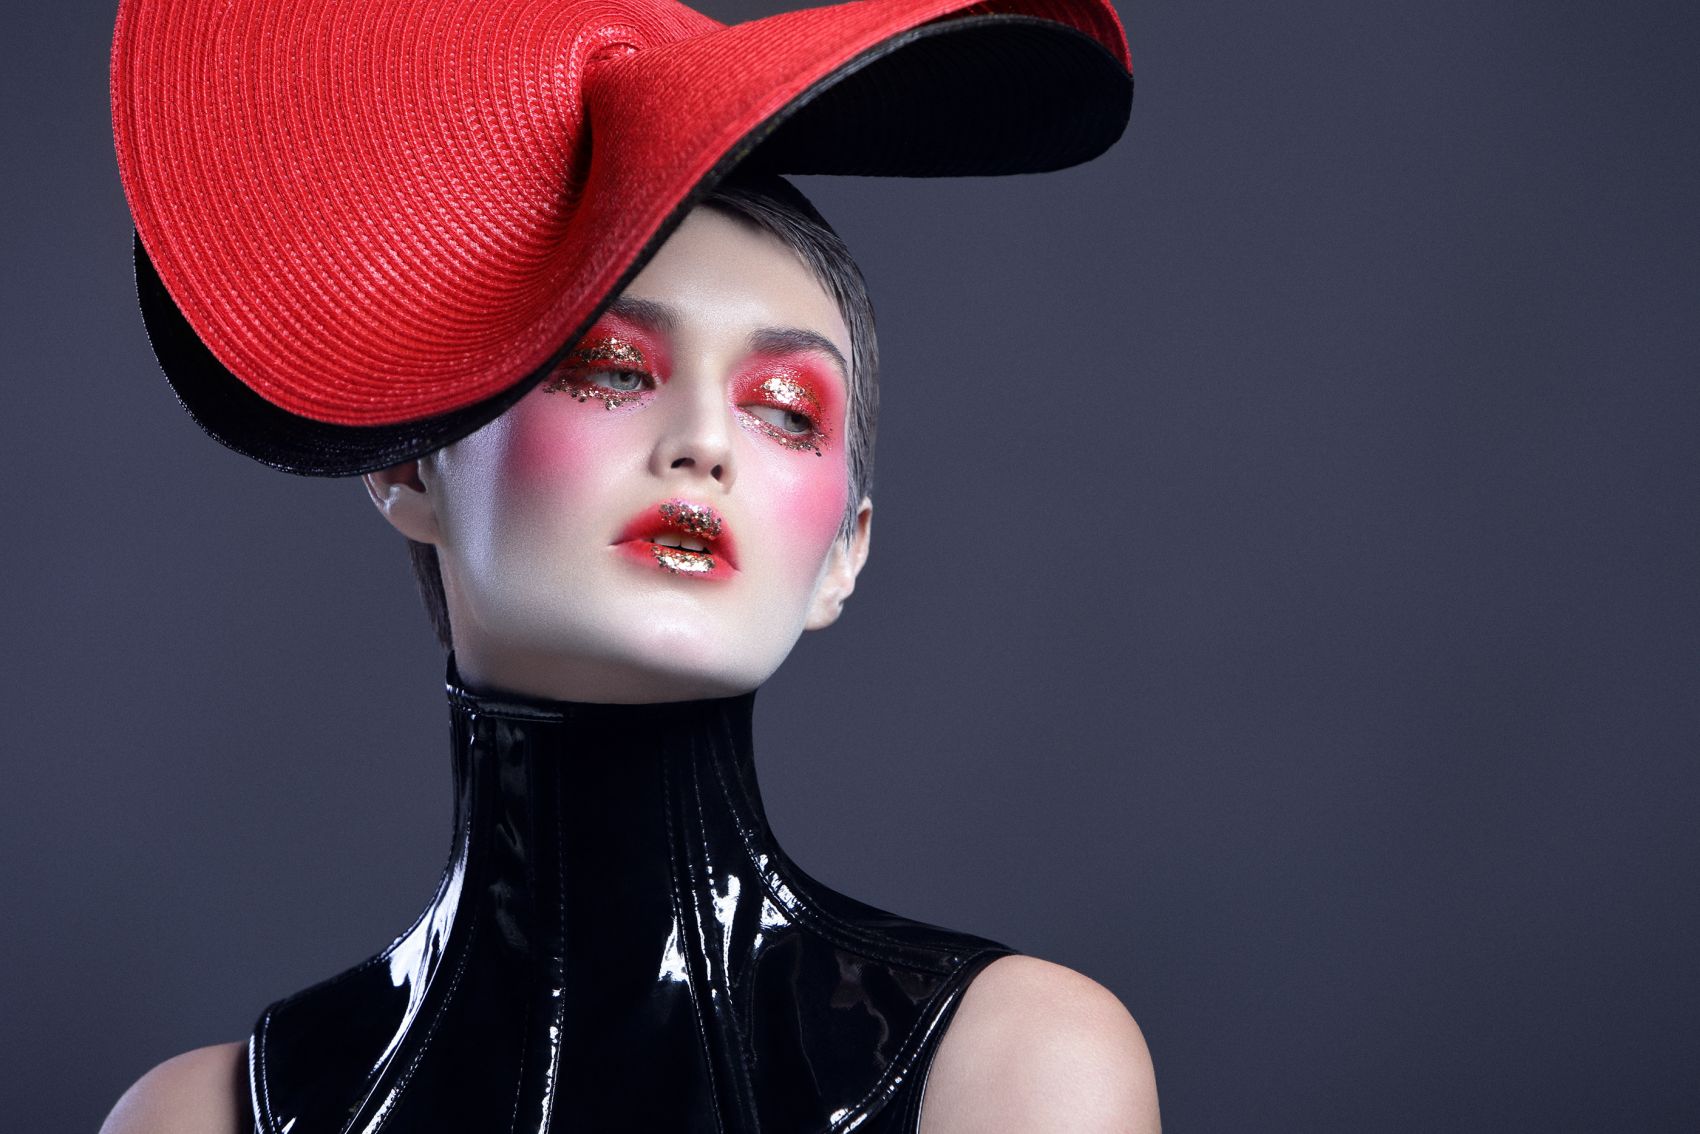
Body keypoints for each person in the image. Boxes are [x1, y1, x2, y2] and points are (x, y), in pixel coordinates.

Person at [102, 0, 1156, 1129]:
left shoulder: (1016, 1067)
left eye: (783, 408)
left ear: (842, 554)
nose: (703, 442)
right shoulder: (203, 1116)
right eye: (611, 369)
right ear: (411, 469)